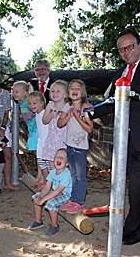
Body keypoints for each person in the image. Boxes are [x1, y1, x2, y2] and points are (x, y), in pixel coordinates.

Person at [90, 28, 140, 245]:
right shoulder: (120, 73)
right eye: (121, 49)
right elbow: (111, 102)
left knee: (136, 187)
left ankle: (126, 231)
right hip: (127, 141)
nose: (126, 52)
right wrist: (91, 110)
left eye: (130, 46)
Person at [57, 79, 93, 214]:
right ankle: (73, 199)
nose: (75, 90)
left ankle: (79, 202)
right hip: (69, 146)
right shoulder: (67, 107)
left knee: (80, 176)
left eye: (78, 88)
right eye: (72, 88)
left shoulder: (86, 108)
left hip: (80, 148)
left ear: (82, 92)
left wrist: (78, 117)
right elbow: (59, 123)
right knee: (73, 175)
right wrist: (68, 116)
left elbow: (89, 128)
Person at [28, 148, 72, 235]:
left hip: (65, 195)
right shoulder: (52, 172)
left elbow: (59, 191)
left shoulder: (67, 174)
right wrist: (41, 197)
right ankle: (38, 221)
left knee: (51, 203)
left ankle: (54, 225)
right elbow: (47, 187)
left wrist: (44, 199)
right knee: (36, 197)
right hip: (55, 193)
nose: (59, 158)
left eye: (62, 157)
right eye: (57, 156)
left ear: (67, 163)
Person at [40, 80, 69, 181]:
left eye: (58, 91)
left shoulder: (68, 107)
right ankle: (53, 185)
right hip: (52, 139)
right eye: (52, 91)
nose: (54, 93)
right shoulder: (50, 105)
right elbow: (44, 120)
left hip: (63, 140)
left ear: (65, 94)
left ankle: (62, 185)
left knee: (62, 163)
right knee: (51, 163)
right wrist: (51, 115)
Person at [27, 91, 47, 189]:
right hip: (40, 140)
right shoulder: (37, 114)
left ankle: (45, 180)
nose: (32, 105)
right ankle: (40, 177)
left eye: (34, 103)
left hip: (46, 141)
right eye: (30, 103)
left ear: (41, 103)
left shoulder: (45, 113)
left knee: (45, 162)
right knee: (39, 160)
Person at [11, 80, 38, 151]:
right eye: (13, 91)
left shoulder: (28, 102)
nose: (14, 94)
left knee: (32, 145)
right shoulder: (20, 103)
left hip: (36, 126)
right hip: (30, 127)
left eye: (17, 92)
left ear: (25, 93)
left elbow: (39, 109)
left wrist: (33, 115)